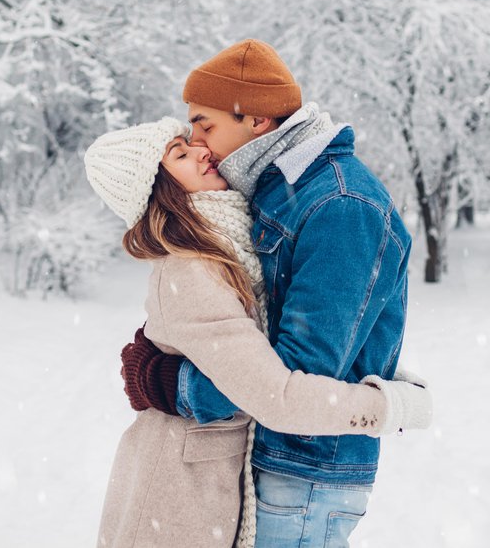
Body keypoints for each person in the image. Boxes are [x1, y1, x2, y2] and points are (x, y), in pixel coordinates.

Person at [121, 39, 421, 547]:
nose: (197, 139)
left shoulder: (341, 205)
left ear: (256, 121)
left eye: (204, 123)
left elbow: (298, 375)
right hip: (273, 462)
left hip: (305, 475)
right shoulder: (284, 189)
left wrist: (175, 386)